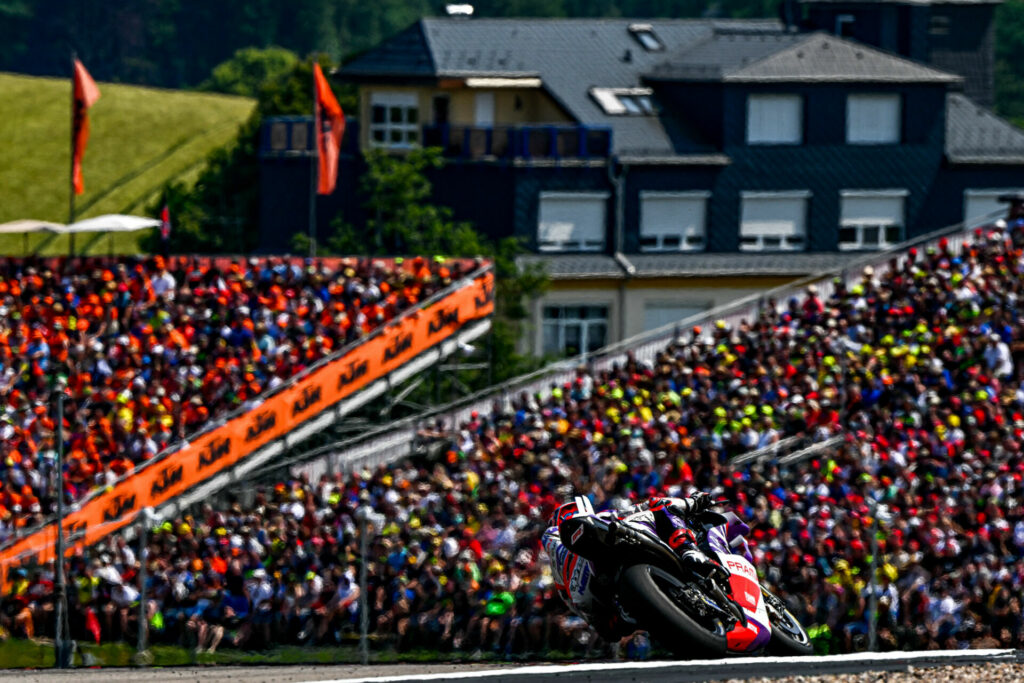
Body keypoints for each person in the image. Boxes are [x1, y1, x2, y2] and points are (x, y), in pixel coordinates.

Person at [542, 492, 739, 640]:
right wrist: (694, 501)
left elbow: (597, 623)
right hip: (612, 552)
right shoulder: (603, 516)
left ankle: (638, 615)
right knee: (662, 506)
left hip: (598, 600)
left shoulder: (561, 582)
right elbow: (652, 504)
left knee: (614, 629)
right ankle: (689, 550)